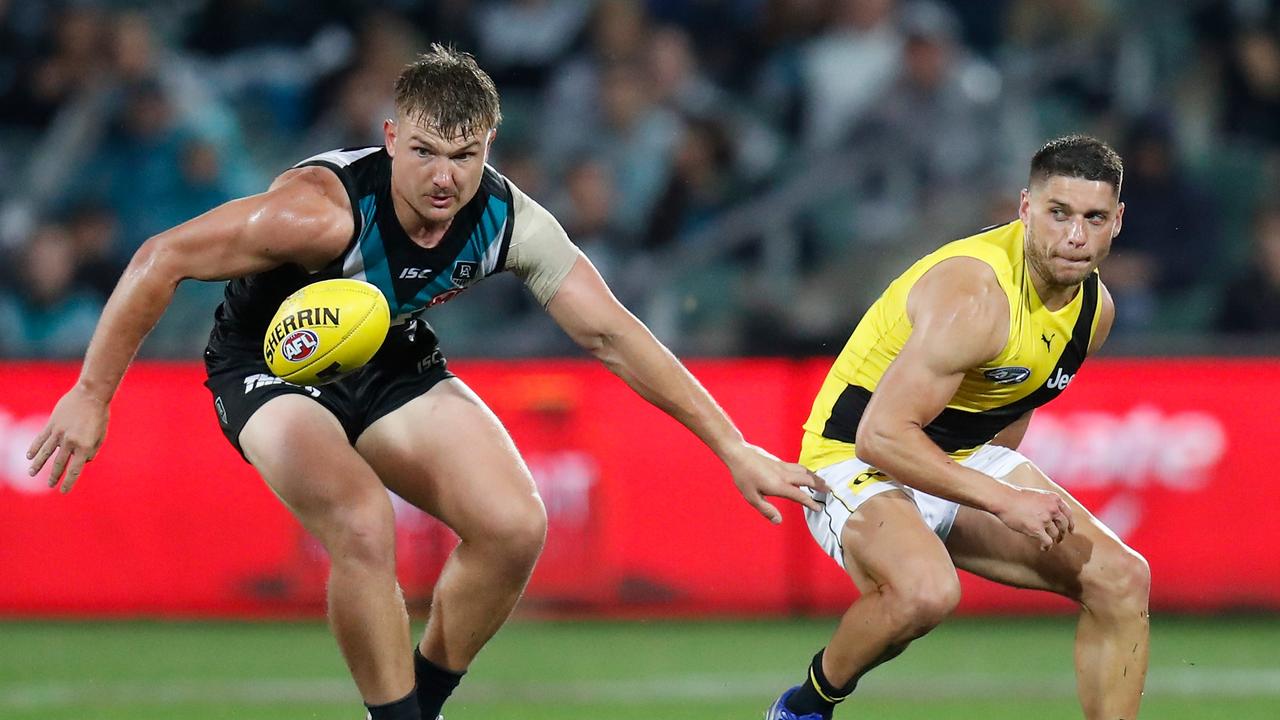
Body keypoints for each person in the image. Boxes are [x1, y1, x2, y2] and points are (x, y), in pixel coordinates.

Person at [26, 45, 823, 720]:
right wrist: (93, 394)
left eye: (466, 155)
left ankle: (420, 709)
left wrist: (731, 445)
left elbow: (612, 332)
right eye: (424, 153)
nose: (445, 179)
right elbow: (158, 258)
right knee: (363, 522)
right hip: (268, 363)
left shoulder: (511, 221)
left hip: (385, 352)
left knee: (514, 526)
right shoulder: (318, 214)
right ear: (389, 138)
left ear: (490, 147)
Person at [766, 135, 1150, 720]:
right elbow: (881, 436)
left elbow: (1014, 403)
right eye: (1059, 213)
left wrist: (981, 493)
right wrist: (1002, 501)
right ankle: (804, 708)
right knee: (926, 592)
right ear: (1025, 209)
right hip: (854, 455)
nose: (1076, 237)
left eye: (1094, 218)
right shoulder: (976, 295)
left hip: (957, 453)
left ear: (1117, 221)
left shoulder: (1094, 312)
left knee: (1123, 579)